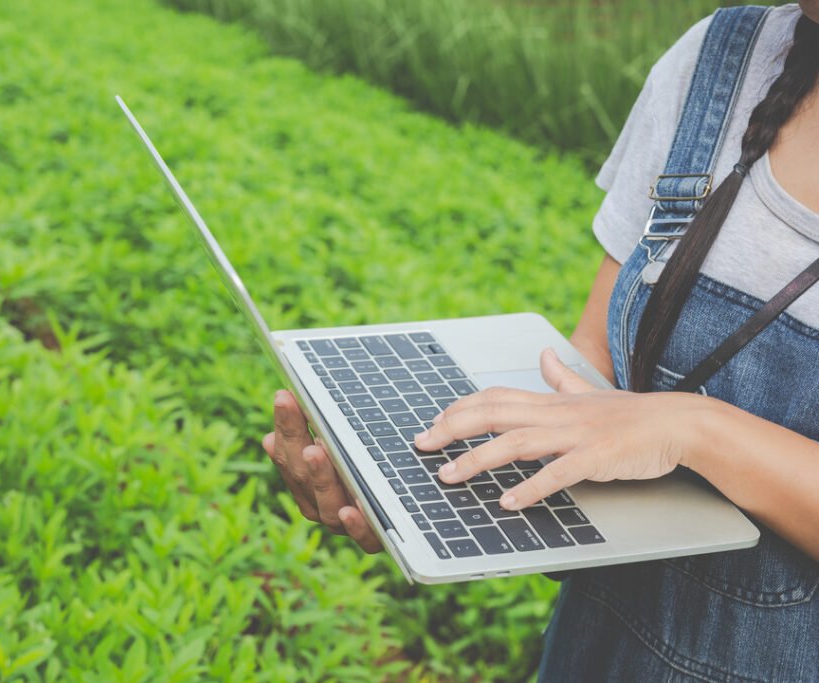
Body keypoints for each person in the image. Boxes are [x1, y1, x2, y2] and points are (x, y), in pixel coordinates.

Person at [262, 2, 819, 679]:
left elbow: (658, 422)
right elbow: (595, 371)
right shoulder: (722, 56)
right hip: (593, 646)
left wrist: (695, 428)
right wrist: (418, 496)